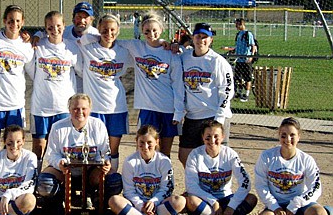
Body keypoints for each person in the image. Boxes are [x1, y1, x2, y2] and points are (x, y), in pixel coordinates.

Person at [82, 10, 184, 158]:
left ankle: (166, 180)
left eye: (155, 30)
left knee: (165, 152)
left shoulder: (171, 54)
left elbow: (178, 84)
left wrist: (179, 110)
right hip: (147, 107)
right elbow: (110, 40)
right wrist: (101, 34)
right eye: (147, 30)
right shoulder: (136, 46)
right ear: (142, 31)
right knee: (145, 149)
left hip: (168, 107)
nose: (151, 33)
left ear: (161, 30)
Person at [36, 93, 122, 210]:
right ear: (69, 110)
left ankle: (97, 199)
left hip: (91, 173)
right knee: (44, 182)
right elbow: (51, 155)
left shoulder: (98, 125)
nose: (79, 112)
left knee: (114, 181)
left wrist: (104, 163)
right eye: (75, 109)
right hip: (66, 172)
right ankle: (59, 201)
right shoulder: (58, 127)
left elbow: (104, 153)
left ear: (90, 109)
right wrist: (60, 163)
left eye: (83, 108)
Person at [255, 117, 332, 215]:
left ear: (299, 137)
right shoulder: (267, 156)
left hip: (301, 205)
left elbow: (316, 187)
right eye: (283, 135)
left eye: (292, 135)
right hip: (278, 206)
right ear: (278, 135)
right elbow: (261, 185)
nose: (288, 139)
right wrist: (274, 206)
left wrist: (295, 204)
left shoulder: (306, 160)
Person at [78, 14, 133, 172]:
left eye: (112, 30)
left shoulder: (123, 52)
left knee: (113, 150)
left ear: (118, 31)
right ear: (98, 29)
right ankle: (92, 184)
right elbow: (83, 37)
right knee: (92, 150)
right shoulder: (88, 48)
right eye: (104, 29)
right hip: (94, 108)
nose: (109, 33)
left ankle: (111, 180)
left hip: (116, 107)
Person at [25, 11, 82, 162]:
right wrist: (36, 35)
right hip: (41, 107)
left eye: (58, 25)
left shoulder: (72, 48)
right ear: (45, 28)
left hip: (63, 107)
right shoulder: (38, 45)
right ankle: (35, 181)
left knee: (63, 148)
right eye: (50, 26)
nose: (55, 29)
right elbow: (31, 69)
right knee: (39, 147)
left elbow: (81, 71)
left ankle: (63, 182)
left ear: (64, 26)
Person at [109, 125, 184, 215]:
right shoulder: (130, 162)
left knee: (180, 201)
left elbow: (167, 188)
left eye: (149, 142)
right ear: (136, 142)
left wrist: (153, 202)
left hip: (157, 205)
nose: (145, 146)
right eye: (141, 142)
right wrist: (141, 205)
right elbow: (129, 191)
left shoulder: (164, 161)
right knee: (114, 201)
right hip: (136, 205)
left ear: (156, 142)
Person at [179, 22, 234, 167]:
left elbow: (227, 90)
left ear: (210, 40)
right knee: (185, 155)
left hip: (213, 115)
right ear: (192, 38)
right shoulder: (184, 58)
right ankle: (196, 184)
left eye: (205, 37)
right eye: (198, 36)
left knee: (216, 157)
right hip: (193, 115)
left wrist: (219, 119)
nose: (201, 40)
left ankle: (214, 187)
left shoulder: (217, 61)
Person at [185, 120, 257, 215]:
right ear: (202, 137)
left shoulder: (230, 154)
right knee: (191, 200)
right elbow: (191, 186)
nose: (212, 141)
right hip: (206, 201)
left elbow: (245, 183)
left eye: (216, 136)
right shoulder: (195, 155)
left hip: (226, 199)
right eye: (208, 137)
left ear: (223, 137)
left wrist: (231, 206)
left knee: (251, 198)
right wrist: (213, 202)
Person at [0, 5, 34, 159]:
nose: (14, 24)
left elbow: (32, 72)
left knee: (15, 145)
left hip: (15, 103)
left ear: (23, 22)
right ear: (4, 21)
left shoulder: (26, 46)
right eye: (10, 20)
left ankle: (12, 178)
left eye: (18, 21)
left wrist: (33, 38)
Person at [234, 18, 257, 102]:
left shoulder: (248, 34)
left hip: (246, 59)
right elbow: (237, 46)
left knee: (247, 78)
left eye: (237, 24)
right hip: (239, 59)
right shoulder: (238, 34)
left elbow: (253, 46)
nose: (236, 26)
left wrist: (251, 57)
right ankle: (239, 92)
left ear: (241, 24)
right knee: (238, 77)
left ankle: (246, 94)